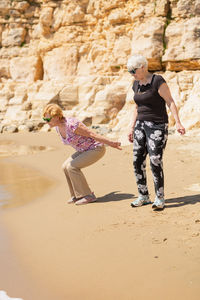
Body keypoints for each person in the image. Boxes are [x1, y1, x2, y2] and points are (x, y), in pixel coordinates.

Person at [127, 54, 185, 210]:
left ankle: (160, 198)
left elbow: (170, 101)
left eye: (133, 70)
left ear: (143, 67)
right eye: (129, 71)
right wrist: (131, 126)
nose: (132, 74)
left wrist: (177, 122)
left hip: (157, 125)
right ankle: (143, 196)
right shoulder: (136, 84)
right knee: (137, 160)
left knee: (155, 160)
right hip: (140, 124)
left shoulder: (157, 81)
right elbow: (136, 107)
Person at [43, 104, 122, 205]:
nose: (46, 121)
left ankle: (88, 196)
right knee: (65, 167)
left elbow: (92, 134)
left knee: (72, 167)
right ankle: (76, 195)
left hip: (96, 149)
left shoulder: (71, 125)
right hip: (83, 150)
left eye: (48, 119)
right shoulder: (58, 127)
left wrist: (111, 143)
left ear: (57, 117)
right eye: (44, 118)